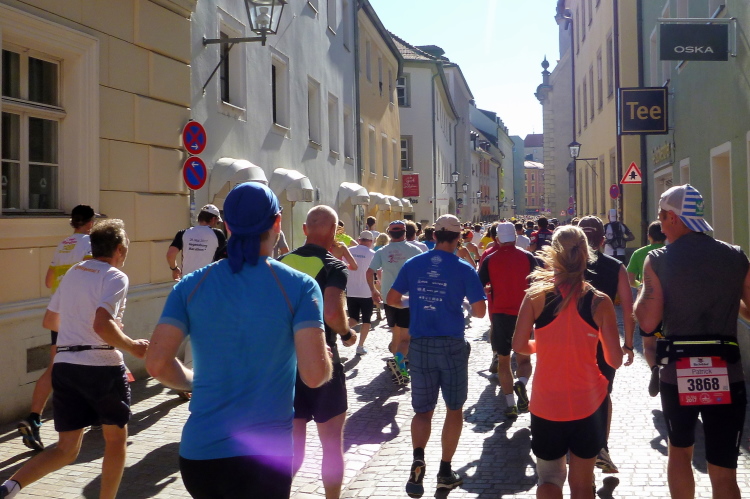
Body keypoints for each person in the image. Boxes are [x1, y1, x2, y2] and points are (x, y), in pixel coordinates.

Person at [146, 183, 332, 499]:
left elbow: (156, 364)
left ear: (227, 226)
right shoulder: (300, 286)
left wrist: (193, 380)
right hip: (266, 456)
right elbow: (314, 376)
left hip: (202, 456)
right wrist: (324, 356)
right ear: (277, 223)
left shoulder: (190, 285)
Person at [1, 219, 149, 499]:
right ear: (119, 248)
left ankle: (8, 488)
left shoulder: (74, 272)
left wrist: (81, 326)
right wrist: (131, 346)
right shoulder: (116, 277)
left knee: (65, 449)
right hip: (102, 369)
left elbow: (50, 320)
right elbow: (102, 324)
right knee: (116, 441)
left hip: (66, 366)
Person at [635, 184, 750, 499]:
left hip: (679, 369)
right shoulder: (736, 255)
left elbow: (648, 321)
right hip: (727, 369)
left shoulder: (658, 258)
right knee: (724, 469)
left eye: (662, 216)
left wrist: (641, 294)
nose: (660, 224)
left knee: (680, 452)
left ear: (674, 218)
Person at [513, 225, 622, 499]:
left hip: (546, 403)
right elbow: (614, 360)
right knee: (582, 483)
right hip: (589, 402)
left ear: (554, 254)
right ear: (587, 254)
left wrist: (542, 345)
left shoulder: (535, 295)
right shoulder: (599, 301)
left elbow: (518, 345)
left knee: (549, 479)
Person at [386, 214, 486, 497]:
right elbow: (480, 312)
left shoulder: (414, 264)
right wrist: (460, 302)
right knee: (454, 408)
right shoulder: (464, 268)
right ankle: (445, 471)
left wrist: (414, 301)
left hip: (420, 345)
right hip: (452, 344)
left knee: (422, 411)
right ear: (458, 238)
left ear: (433, 236)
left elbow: (392, 299)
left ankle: (418, 458)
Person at [279, 205, 357, 499]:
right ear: (336, 232)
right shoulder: (333, 266)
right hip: (323, 359)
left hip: (286, 363)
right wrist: (347, 334)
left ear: (304, 229)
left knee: (292, 447)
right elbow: (333, 312)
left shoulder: (280, 262)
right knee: (331, 444)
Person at [17, 205, 96, 451]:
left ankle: (33, 418)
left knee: (54, 367)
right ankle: (96, 414)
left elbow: (49, 280)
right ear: (90, 223)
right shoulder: (90, 243)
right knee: (92, 361)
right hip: (80, 315)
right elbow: (91, 276)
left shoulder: (63, 244)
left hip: (59, 314)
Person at [578, 215, 635, 475]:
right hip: (603, 339)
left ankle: (576, 446)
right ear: (603, 240)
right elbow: (628, 307)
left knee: (574, 390)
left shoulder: (566, 265)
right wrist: (629, 344)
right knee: (603, 392)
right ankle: (601, 446)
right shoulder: (615, 267)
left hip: (571, 340)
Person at [478, 222, 537, 420]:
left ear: (497, 239)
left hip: (500, 315)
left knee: (503, 362)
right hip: (523, 314)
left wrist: (490, 289)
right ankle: (522, 382)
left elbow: (479, 285)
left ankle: (510, 404)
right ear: (515, 237)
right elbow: (539, 283)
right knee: (524, 360)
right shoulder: (528, 257)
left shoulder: (490, 259)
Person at [367, 220, 423, 385]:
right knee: (406, 339)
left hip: (388, 298)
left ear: (389, 233)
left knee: (396, 335)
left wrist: (373, 291)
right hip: (408, 299)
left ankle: (400, 368)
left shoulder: (382, 251)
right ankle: (398, 361)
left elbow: (369, 272)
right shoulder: (415, 250)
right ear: (405, 232)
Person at [626, 220, 666, 396]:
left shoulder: (640, 253)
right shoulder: (670, 252)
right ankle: (670, 371)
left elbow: (630, 279)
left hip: (648, 303)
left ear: (649, 236)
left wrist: (640, 286)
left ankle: (654, 368)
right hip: (669, 304)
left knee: (648, 344)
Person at [166, 204, 227, 281]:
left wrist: (174, 269)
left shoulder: (183, 233)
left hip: (187, 282)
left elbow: (170, 254)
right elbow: (225, 257)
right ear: (213, 219)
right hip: (207, 281)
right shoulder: (217, 234)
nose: (216, 225)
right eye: (217, 223)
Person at [347, 231, 377, 355]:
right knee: (366, 320)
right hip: (366, 292)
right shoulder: (372, 254)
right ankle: (360, 346)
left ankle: (340, 331)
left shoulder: (349, 251)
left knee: (353, 319)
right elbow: (378, 271)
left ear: (359, 240)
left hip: (351, 290)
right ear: (371, 242)